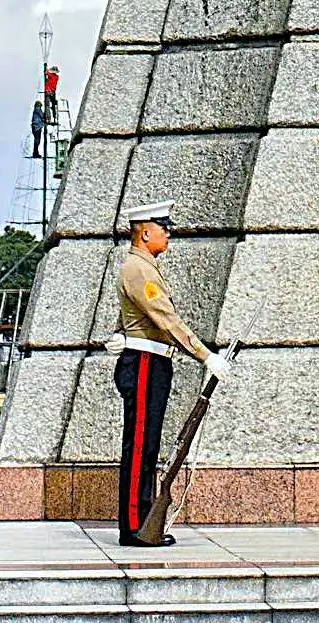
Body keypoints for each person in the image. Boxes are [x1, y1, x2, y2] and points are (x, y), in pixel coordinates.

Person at [112, 203, 227, 546]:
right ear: (146, 232)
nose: (169, 231)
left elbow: (140, 314)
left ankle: (144, 520)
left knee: (147, 446)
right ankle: (134, 526)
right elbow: (164, 317)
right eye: (163, 226)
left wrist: (121, 331)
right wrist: (205, 356)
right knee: (140, 448)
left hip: (152, 360)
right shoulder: (139, 269)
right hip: (146, 363)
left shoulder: (145, 267)